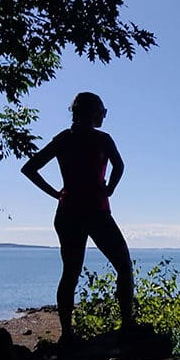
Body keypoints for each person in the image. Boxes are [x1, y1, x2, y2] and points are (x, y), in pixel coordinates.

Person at [21, 92, 134, 345]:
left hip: (69, 210)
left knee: (70, 272)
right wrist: (110, 188)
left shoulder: (64, 139)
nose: (104, 117)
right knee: (124, 267)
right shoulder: (102, 139)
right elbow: (119, 166)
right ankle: (127, 326)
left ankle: (67, 334)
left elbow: (29, 168)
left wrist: (57, 194)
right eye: (103, 112)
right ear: (94, 113)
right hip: (96, 210)